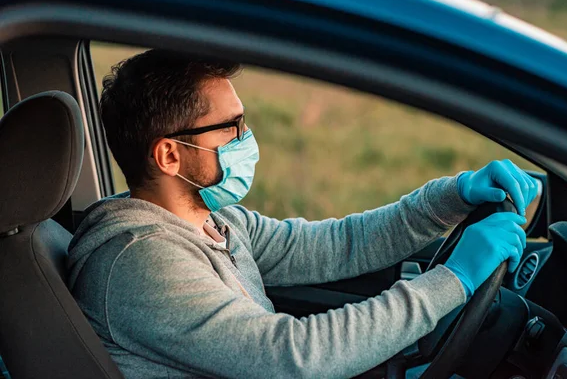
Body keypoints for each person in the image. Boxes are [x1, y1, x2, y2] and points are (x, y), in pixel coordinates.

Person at [67, 50, 538, 379]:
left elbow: (341, 245)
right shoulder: (140, 260)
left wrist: (453, 195)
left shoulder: (218, 222)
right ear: (170, 156)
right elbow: (294, 357)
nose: (246, 137)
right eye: (230, 127)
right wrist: (453, 280)